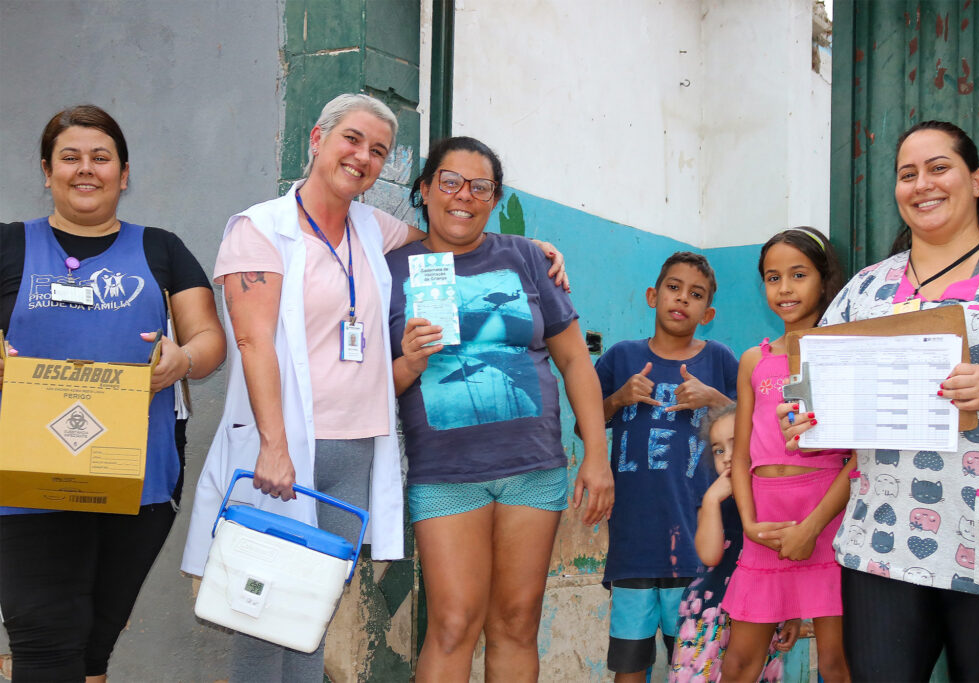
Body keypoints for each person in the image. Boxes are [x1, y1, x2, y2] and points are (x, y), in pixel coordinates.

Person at [179, 97, 565, 681]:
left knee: (312, 612)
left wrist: (530, 251)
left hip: (354, 450)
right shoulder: (259, 229)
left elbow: (447, 234)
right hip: (286, 449)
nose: (363, 157)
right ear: (317, 138)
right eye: (352, 140)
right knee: (260, 616)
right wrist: (275, 445)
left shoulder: (371, 226)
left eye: (378, 150)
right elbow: (254, 346)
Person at [782, 121, 979, 682]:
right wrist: (800, 415)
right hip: (883, 541)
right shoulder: (866, 289)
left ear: (977, 179)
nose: (922, 184)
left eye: (939, 168)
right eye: (907, 174)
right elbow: (804, 379)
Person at [0, 104, 225, 682]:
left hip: (136, 480)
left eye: (101, 158)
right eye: (69, 157)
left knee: (94, 647)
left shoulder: (162, 249)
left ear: (124, 174)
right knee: (47, 648)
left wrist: (182, 359)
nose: (86, 169)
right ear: (46, 171)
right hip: (26, 483)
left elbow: (209, 339)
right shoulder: (8, 246)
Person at [387, 135, 614, 681]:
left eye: (479, 186)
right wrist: (410, 363)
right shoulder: (390, 268)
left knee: (516, 622)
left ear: (494, 197)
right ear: (424, 190)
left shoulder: (527, 258)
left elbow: (576, 363)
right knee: (452, 623)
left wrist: (597, 456)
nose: (463, 195)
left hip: (532, 467)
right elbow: (372, 384)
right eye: (449, 182)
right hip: (445, 473)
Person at [592, 252, 738, 681]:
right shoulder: (622, 357)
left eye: (696, 295)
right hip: (633, 544)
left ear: (707, 313)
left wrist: (716, 400)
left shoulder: (721, 360)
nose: (682, 299)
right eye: (673, 288)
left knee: (693, 668)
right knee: (629, 667)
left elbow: (751, 431)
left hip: (697, 546)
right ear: (653, 296)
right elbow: (589, 425)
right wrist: (619, 398)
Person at [719, 227, 854, 683]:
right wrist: (750, 524)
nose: (785, 288)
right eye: (773, 278)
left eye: (798, 274)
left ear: (824, 279)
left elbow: (859, 457)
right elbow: (740, 457)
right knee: (738, 662)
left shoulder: (843, 353)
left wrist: (813, 528)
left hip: (825, 519)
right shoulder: (753, 361)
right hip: (765, 526)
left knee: (836, 663)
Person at [670, 404, 800, 682]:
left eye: (737, 444)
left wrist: (794, 615)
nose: (728, 457)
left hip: (763, 615)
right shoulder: (714, 500)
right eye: (719, 450)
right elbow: (709, 555)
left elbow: (789, 563)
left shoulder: (774, 498)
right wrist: (711, 501)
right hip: (708, 615)